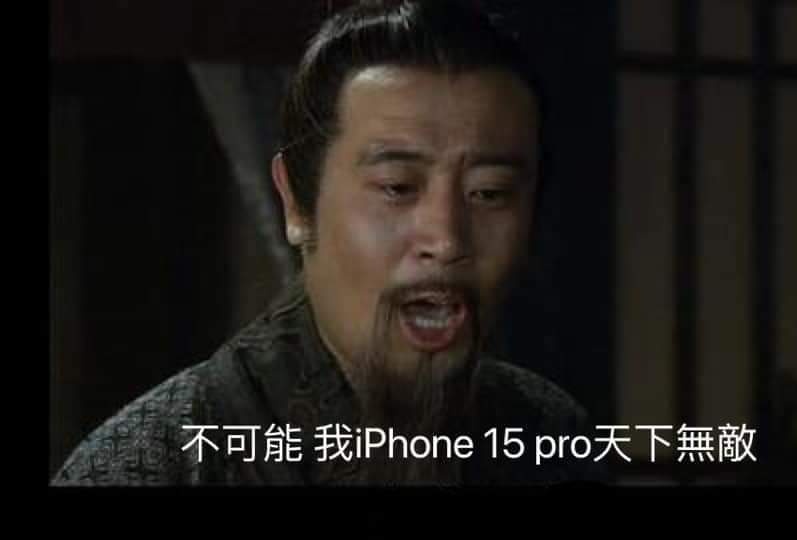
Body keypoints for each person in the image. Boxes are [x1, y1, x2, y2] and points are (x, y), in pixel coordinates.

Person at [52, 0, 603, 486]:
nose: (445, 238)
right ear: (296, 202)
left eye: (489, 193)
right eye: (397, 187)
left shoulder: (546, 435)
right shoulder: (152, 462)